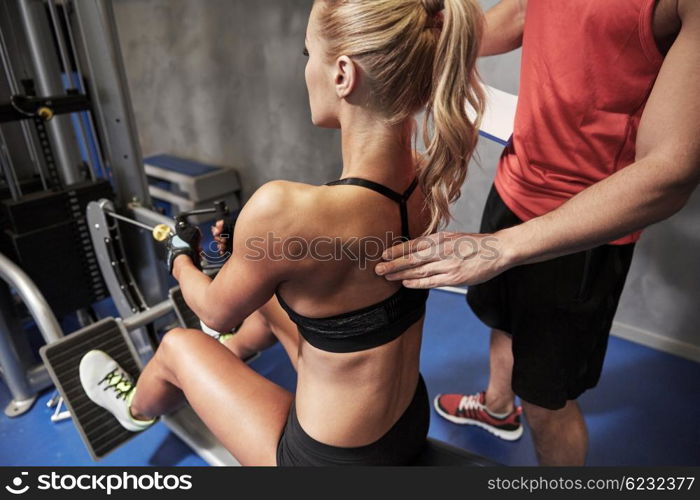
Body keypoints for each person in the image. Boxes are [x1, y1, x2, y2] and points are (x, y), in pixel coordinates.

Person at [77, 0, 485, 466]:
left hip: (329, 463)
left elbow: (214, 312)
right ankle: (229, 359)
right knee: (268, 300)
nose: (307, 68)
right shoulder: (427, 174)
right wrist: (255, 254)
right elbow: (337, 265)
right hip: (405, 421)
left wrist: (178, 256)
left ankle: (133, 410)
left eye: (307, 53)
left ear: (342, 75)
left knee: (177, 345)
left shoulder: (284, 210)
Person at [375, 0, 700, 466]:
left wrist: (503, 248)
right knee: (502, 320)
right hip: (515, 182)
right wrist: (427, 35)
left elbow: (671, 170)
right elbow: (527, 14)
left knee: (548, 403)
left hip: (582, 226)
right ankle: (498, 408)